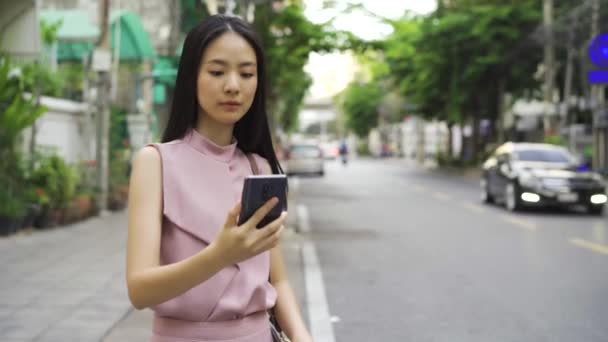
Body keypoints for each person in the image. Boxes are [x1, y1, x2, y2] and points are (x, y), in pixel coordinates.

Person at [126, 15, 313, 342]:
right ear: (191, 77)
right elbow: (140, 290)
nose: (233, 85)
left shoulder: (260, 168)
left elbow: (278, 280)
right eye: (216, 71)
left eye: (246, 74)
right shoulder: (155, 162)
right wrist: (220, 256)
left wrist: (303, 337)